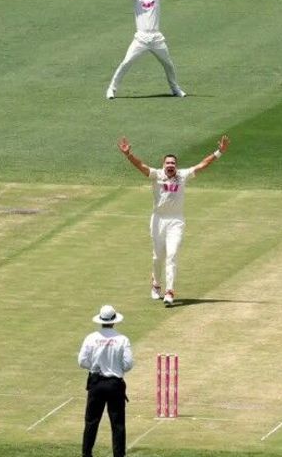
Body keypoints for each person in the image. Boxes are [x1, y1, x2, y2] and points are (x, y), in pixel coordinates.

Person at [117, 135, 229, 306]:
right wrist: (128, 154)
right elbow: (141, 166)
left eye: (173, 163)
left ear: (176, 165)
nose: (170, 165)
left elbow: (202, 165)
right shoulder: (157, 175)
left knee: (172, 255)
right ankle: (156, 284)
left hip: (176, 221)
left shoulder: (183, 175)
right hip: (158, 220)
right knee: (158, 257)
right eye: (168, 163)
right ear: (164, 165)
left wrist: (219, 152)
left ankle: (169, 291)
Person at [106, 0, 186, 100]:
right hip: (141, 38)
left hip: (156, 38)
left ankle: (175, 89)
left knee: (168, 64)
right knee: (126, 62)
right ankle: (111, 89)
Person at [78, 305, 133, 457]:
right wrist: (117, 368)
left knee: (91, 421)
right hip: (115, 384)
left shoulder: (91, 338)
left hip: (96, 382)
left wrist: (94, 367)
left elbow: (82, 361)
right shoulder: (122, 339)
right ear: (114, 321)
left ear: (101, 320)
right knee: (118, 423)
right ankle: (119, 455)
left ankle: (86, 454)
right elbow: (128, 364)